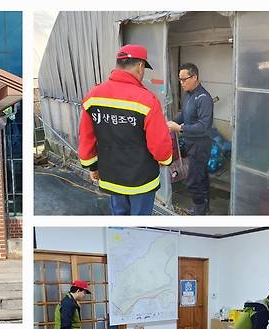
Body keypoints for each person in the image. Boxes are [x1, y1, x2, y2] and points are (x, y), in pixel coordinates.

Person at [78, 44, 172, 216]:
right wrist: (165, 160)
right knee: (140, 226)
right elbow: (159, 144)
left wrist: (92, 167)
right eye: (144, 69)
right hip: (141, 179)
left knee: (120, 225)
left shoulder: (93, 97)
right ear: (140, 66)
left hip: (112, 175)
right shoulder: (147, 100)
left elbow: (86, 137)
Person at [167, 63, 214, 215]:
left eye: (184, 79)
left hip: (200, 145)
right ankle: (204, 207)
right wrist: (170, 122)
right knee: (201, 175)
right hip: (191, 142)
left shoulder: (203, 98)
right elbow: (184, 114)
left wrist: (179, 128)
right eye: (179, 80)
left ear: (194, 77)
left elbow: (203, 126)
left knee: (193, 179)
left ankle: (199, 210)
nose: (181, 83)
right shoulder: (189, 95)